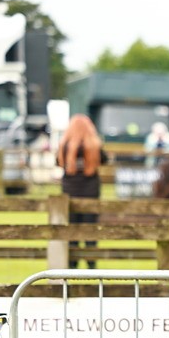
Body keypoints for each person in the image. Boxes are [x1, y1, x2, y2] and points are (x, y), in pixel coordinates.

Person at [56, 114, 107, 270]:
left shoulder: (65, 145)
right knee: (90, 228)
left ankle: (72, 265)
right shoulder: (93, 145)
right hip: (90, 190)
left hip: (70, 191)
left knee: (72, 228)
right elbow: (104, 160)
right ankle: (91, 264)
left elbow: (58, 162)